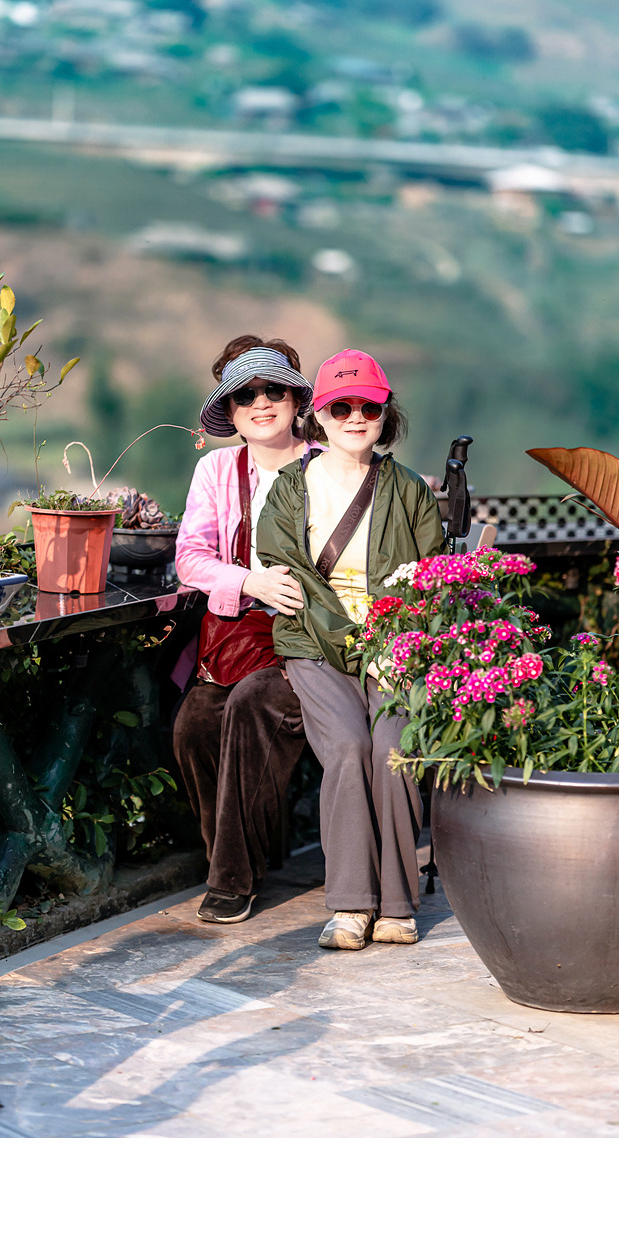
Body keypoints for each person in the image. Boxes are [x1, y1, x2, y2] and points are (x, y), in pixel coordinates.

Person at [256, 348, 445, 951]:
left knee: (392, 749)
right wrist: (359, 645)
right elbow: (289, 573)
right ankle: (350, 903)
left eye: (369, 406)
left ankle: (397, 904)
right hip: (316, 643)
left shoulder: (408, 490)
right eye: (342, 407)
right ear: (318, 415)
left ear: (385, 414)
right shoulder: (290, 490)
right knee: (346, 746)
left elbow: (429, 580)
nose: (356, 417)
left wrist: (397, 644)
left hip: (396, 645)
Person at [173, 336, 313, 924]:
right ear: (229, 412)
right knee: (195, 726)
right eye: (245, 395)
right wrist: (250, 581)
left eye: (273, 390)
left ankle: (232, 879)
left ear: (296, 400)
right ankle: (237, 858)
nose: (261, 403)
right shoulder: (215, 468)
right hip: (237, 638)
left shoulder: (327, 464)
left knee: (254, 706)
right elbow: (189, 557)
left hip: (309, 641)